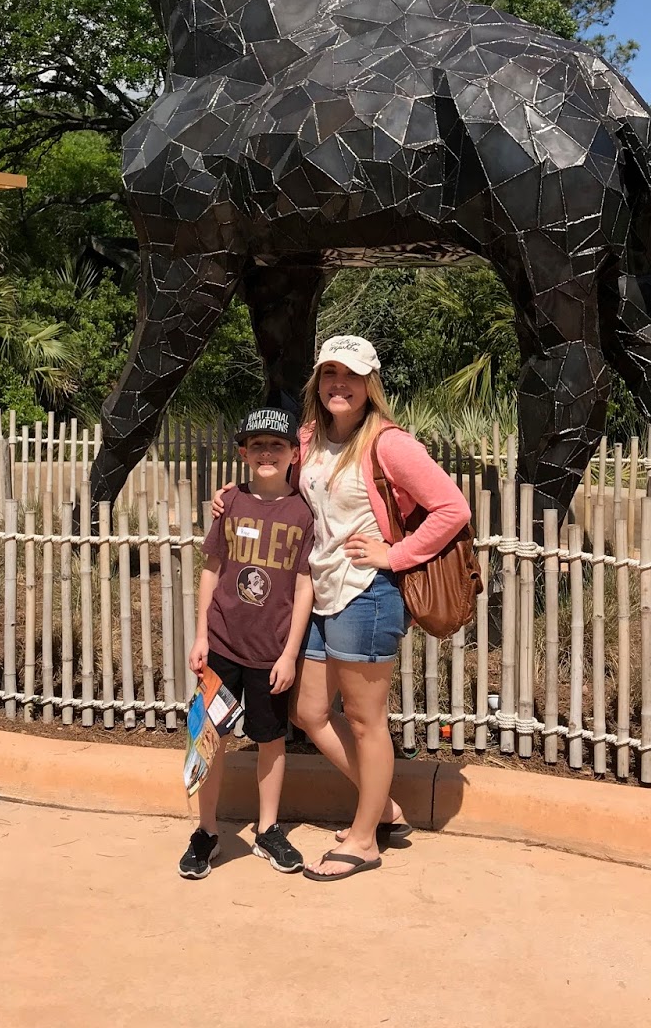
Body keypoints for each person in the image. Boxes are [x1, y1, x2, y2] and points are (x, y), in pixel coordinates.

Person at [294, 336, 470, 882]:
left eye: (351, 375)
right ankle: (383, 807)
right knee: (309, 711)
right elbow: (289, 490)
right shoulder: (310, 438)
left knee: (365, 721)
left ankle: (365, 838)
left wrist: (394, 555)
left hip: (367, 592)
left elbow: (453, 508)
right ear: (318, 382)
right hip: (321, 589)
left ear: (370, 384)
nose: (338, 385)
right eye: (330, 374)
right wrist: (233, 497)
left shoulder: (389, 444)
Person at [178, 406, 316, 880]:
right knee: (208, 738)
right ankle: (206, 830)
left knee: (271, 739)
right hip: (222, 643)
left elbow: (305, 584)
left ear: (294, 453)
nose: (267, 453)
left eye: (277, 445)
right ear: (243, 452)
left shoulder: (304, 513)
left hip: (271, 650)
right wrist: (201, 635)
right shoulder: (231, 502)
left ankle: (268, 829)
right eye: (257, 445)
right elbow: (212, 570)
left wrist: (290, 653)